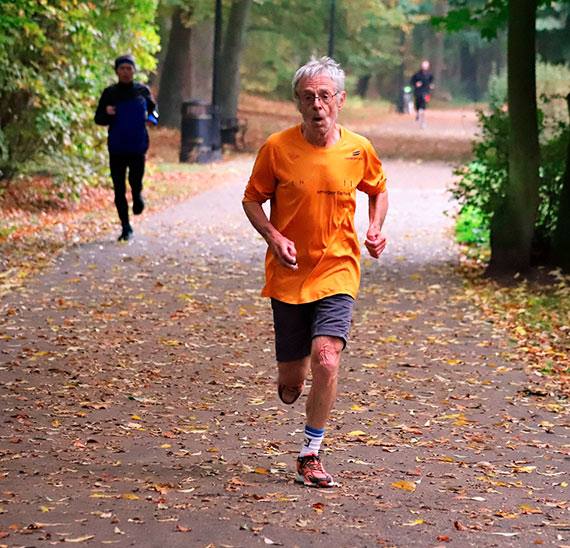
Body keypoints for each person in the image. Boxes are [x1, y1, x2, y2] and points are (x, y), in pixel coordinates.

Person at [242, 56, 388, 488]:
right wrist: (272, 235)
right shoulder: (277, 147)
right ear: (298, 102)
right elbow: (252, 199)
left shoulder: (359, 149)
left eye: (325, 96)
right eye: (308, 97)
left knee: (327, 357)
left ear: (340, 101)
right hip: (288, 273)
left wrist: (375, 227)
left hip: (338, 268)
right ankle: (293, 376)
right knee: (292, 382)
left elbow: (378, 190)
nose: (317, 105)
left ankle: (310, 452)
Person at [95, 54, 158, 242]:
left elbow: (154, 110)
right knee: (118, 189)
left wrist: (152, 119)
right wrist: (107, 113)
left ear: (133, 71)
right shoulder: (110, 93)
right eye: (121, 68)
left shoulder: (142, 91)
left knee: (135, 180)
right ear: (116, 71)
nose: (125, 72)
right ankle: (125, 226)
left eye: (128, 68)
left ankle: (137, 194)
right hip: (117, 147)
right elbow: (98, 119)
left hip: (138, 145)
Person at [410, 60, 434, 129]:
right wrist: (416, 84)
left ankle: (423, 119)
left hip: (426, 92)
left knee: (424, 105)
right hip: (418, 92)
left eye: (426, 66)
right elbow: (412, 82)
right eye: (424, 66)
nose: (425, 68)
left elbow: (431, 82)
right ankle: (418, 113)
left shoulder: (430, 75)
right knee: (417, 104)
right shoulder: (417, 74)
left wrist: (431, 86)